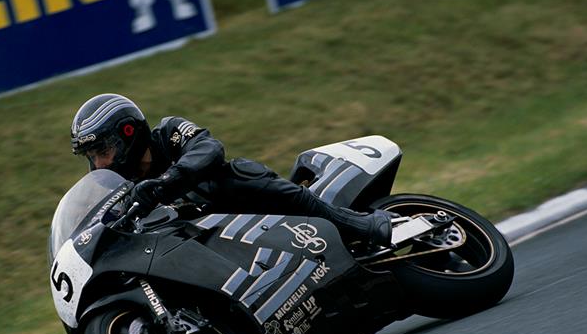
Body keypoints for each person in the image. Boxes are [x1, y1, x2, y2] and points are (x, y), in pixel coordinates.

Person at [69, 93, 392, 247]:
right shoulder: (120, 184)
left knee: (234, 176)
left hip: (241, 204)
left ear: (129, 133)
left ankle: (357, 225)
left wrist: (169, 181)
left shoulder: (169, 132)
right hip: (209, 236)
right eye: (92, 155)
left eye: (103, 150)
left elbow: (209, 148)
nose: (98, 163)